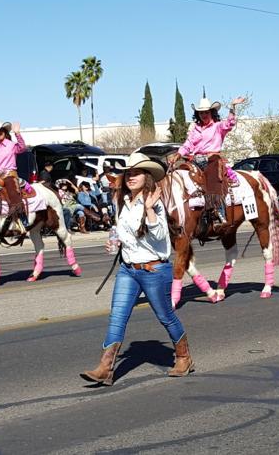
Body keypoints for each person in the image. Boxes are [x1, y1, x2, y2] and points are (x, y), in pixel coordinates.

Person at [80, 152, 193, 386]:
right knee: (117, 317)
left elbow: (161, 236)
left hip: (154, 270)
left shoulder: (156, 202)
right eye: (128, 173)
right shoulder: (122, 202)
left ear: (147, 176)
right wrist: (115, 241)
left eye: (136, 173)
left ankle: (183, 357)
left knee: (166, 317)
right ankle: (105, 368)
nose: (130, 176)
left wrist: (150, 209)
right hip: (128, 270)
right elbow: (124, 233)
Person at [167, 93, 247, 225]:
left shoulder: (218, 126)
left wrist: (232, 107)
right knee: (179, 174)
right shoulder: (196, 129)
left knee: (212, 179)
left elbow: (230, 123)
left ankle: (217, 210)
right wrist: (178, 155)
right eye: (201, 113)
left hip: (212, 158)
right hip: (194, 159)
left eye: (206, 112)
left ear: (212, 112)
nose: (203, 115)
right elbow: (188, 144)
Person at [0, 121, 27, 227]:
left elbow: (22, 148)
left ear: (5, 132)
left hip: (9, 175)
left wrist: (17, 133)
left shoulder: (11, 145)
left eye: (0, 131)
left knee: (12, 191)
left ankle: (22, 220)